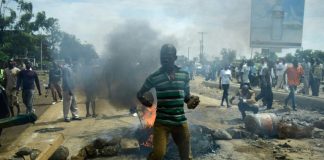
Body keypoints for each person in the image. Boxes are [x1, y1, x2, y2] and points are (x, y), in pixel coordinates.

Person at [137, 44, 200, 160]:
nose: (165, 59)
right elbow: (139, 93)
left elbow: (186, 96)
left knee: (186, 156)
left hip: (180, 122)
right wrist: (145, 101)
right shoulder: (154, 77)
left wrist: (191, 101)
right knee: (158, 154)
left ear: (175, 58)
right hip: (162, 123)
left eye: (168, 56)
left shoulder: (184, 75)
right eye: (162, 56)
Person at [62, 58, 81, 122]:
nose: (72, 61)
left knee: (73, 102)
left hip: (72, 87)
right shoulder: (65, 68)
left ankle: (75, 116)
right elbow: (66, 79)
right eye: (70, 59)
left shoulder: (71, 67)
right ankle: (66, 117)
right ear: (68, 60)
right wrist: (69, 89)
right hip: (67, 88)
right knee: (67, 102)